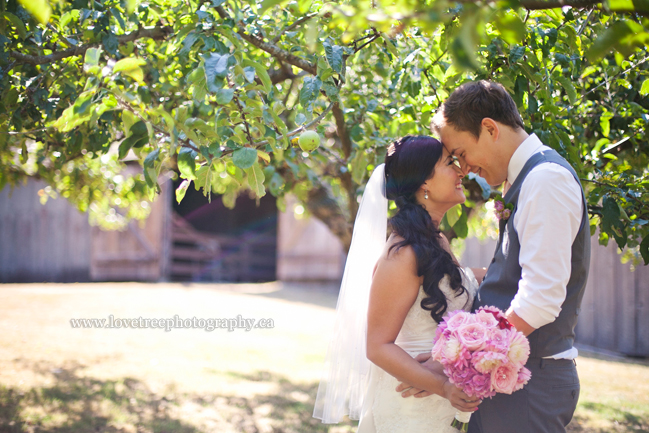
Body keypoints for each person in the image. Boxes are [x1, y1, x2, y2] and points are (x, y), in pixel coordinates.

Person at [398, 81, 590, 433]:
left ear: (489, 128)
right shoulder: (524, 180)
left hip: (532, 387)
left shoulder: (545, 180)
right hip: (512, 381)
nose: (464, 168)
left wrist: (461, 360)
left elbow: (541, 299)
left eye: (461, 152)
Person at [313, 135, 486, 432]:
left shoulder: (437, 241)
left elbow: (454, 286)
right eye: (449, 163)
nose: (461, 171)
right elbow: (378, 346)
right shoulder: (402, 254)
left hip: (444, 402)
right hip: (411, 406)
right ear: (424, 184)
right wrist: (442, 386)